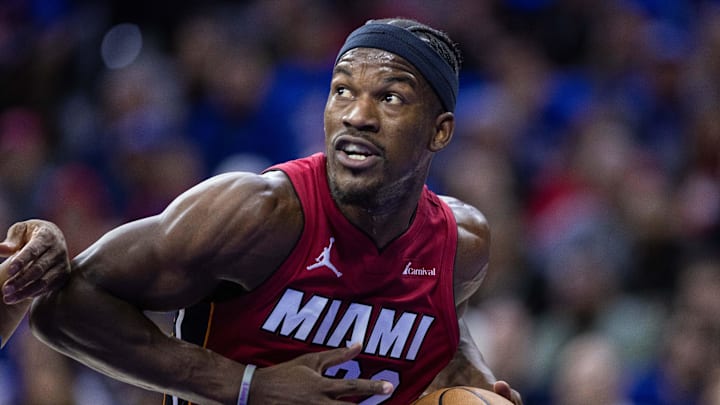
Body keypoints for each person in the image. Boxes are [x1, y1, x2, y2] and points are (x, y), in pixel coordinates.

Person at [20, 18, 522, 405]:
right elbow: (64, 307)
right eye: (342, 90)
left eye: (390, 97)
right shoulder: (256, 212)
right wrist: (247, 386)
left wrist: (471, 380)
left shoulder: (462, 242)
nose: (357, 115)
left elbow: (442, 324)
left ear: (439, 131)